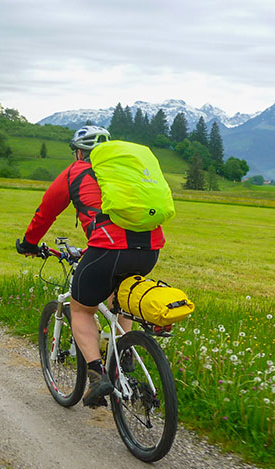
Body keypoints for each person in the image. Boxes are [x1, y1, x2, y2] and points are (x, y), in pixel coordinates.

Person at [16, 126, 165, 407]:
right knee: (118, 298)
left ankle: (98, 377)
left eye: (76, 151)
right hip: (149, 249)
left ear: (79, 151)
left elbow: (45, 212)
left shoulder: (76, 171)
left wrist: (29, 244)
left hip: (108, 249)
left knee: (82, 309)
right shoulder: (126, 172)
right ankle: (126, 352)